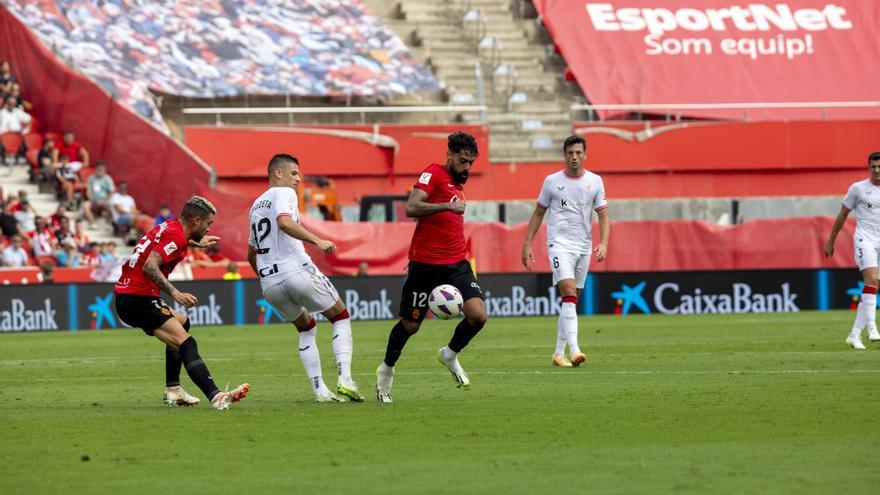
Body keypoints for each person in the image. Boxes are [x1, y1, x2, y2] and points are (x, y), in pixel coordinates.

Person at [376, 132, 487, 403]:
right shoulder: (433, 173)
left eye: (471, 163)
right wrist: (444, 206)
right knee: (411, 326)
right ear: (448, 155)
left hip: (457, 263)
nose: (467, 168)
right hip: (425, 266)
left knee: (478, 315)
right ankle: (386, 369)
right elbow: (411, 207)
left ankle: (449, 354)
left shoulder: (457, 184)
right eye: (463, 161)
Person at [247, 153, 363, 403]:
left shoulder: (255, 205)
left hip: (269, 283)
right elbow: (285, 223)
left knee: (306, 327)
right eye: (294, 173)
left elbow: (250, 253)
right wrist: (318, 241)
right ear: (278, 173)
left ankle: (320, 391)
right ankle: (345, 380)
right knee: (340, 316)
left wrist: (268, 276)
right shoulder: (284, 193)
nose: (298, 179)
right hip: (295, 269)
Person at [114, 196, 249, 410]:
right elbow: (150, 266)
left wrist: (195, 241)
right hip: (138, 297)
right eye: (208, 224)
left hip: (129, 295)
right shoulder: (176, 237)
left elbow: (169, 242)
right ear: (196, 220)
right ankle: (216, 396)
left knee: (183, 322)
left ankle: (174, 389)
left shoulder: (171, 227)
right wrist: (175, 294)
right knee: (186, 342)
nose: (208, 228)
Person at [521, 135, 610, 367]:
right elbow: (538, 213)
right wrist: (527, 243)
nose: (574, 157)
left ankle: (558, 353)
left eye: (578, 153)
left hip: (584, 246)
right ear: (565, 155)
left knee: (571, 300)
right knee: (569, 292)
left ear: (585, 155)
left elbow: (603, 215)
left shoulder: (595, 181)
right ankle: (575, 350)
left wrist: (604, 242)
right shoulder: (551, 181)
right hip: (559, 245)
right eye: (570, 153)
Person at [824, 151, 880, 349]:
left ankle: (854, 335)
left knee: (872, 288)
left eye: (879, 166)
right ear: (868, 168)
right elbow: (842, 215)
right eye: (873, 166)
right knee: (871, 281)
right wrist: (831, 241)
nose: (876, 170)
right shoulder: (858, 189)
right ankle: (873, 327)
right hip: (865, 240)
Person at [83, 161, 115, 227]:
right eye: (99, 169)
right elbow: (88, 191)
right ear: (96, 169)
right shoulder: (91, 178)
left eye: (102, 170)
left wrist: (103, 200)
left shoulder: (108, 179)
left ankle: (108, 223)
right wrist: (91, 199)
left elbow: (111, 192)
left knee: (111, 205)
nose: (100, 171)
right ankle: (93, 222)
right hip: (93, 200)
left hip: (104, 200)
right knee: (85, 206)